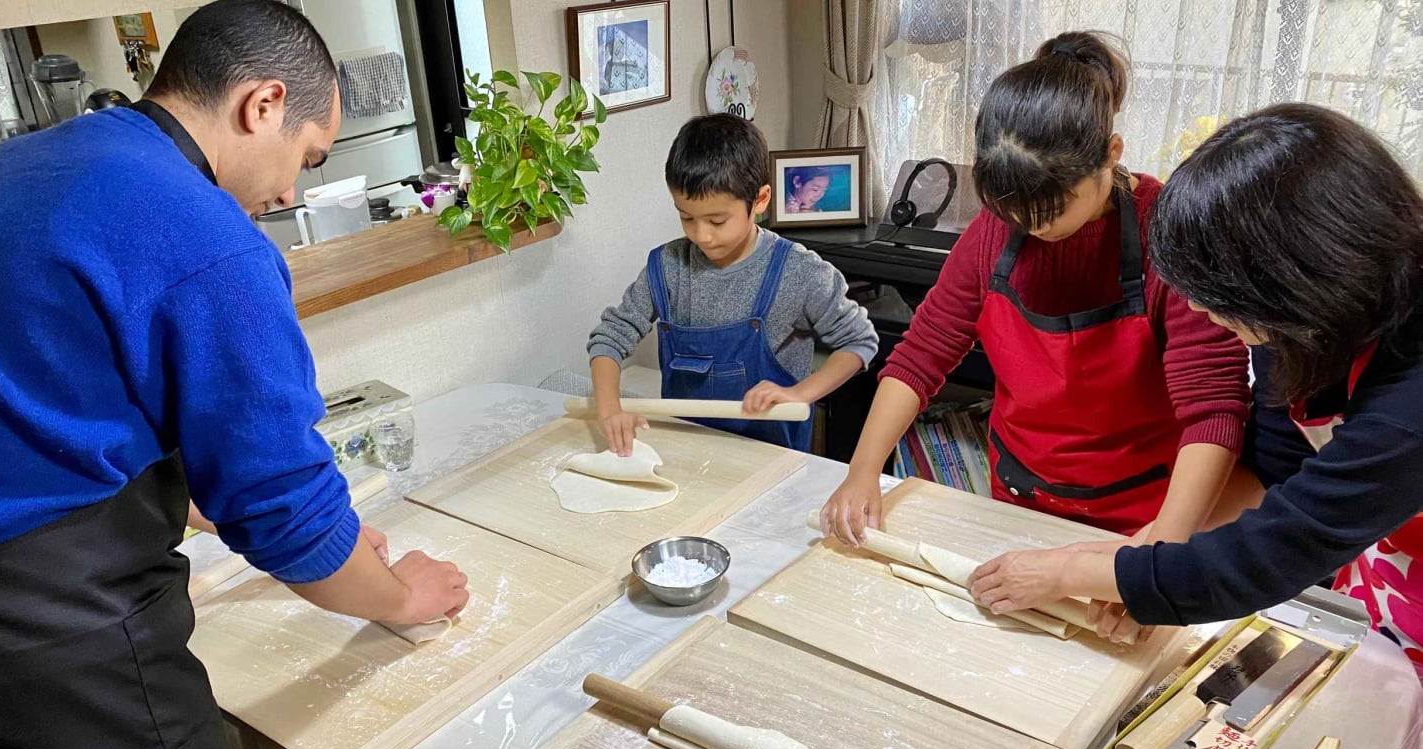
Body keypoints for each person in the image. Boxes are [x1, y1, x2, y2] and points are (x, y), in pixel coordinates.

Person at [0, 3, 469, 749]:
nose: (289, 189)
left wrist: (179, 496)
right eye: (304, 154)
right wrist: (400, 593)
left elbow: (13, 406)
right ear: (261, 103)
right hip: (48, 657)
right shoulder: (203, 233)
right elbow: (291, 515)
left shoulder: (23, 170)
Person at [968, 103, 1423, 678]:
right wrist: (1150, 556)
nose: (1202, 309)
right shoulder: (1304, 326)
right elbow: (1277, 466)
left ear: (1301, 274)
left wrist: (1075, 572)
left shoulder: (1409, 403)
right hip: (1387, 567)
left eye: (1216, 295)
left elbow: (1283, 545)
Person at [822, 32, 1251, 573]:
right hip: (1021, 499)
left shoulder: (1170, 235)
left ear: (1111, 155)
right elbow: (921, 355)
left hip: (1147, 518)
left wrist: (1159, 550)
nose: (1031, 227)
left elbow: (1213, 410)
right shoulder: (992, 232)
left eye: (1051, 209)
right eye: (1012, 211)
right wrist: (864, 471)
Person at [587, 114, 879, 453]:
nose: (702, 235)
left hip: (772, 457)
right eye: (687, 218)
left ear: (760, 199)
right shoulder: (667, 267)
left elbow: (859, 342)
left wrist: (799, 394)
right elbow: (610, 337)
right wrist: (610, 409)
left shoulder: (798, 272)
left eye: (717, 220)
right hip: (688, 451)